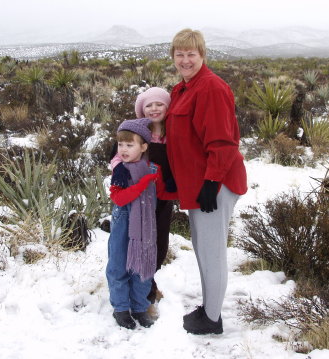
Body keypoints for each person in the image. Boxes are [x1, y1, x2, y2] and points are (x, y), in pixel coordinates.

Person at [166, 28, 248, 335]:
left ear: (202, 55)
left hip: (215, 183)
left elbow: (223, 142)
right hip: (198, 183)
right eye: (180, 54)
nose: (185, 60)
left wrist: (212, 182)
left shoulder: (211, 88)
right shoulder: (182, 90)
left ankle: (212, 319)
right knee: (202, 247)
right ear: (173, 56)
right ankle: (208, 307)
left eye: (192, 54)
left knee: (211, 250)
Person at [106, 118, 175, 330]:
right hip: (123, 223)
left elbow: (163, 193)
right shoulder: (121, 170)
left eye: (130, 145)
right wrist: (142, 184)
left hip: (147, 225)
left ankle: (139, 306)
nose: (124, 150)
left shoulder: (154, 168)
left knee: (143, 265)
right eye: (120, 145)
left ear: (144, 146)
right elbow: (118, 198)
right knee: (119, 264)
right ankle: (120, 307)